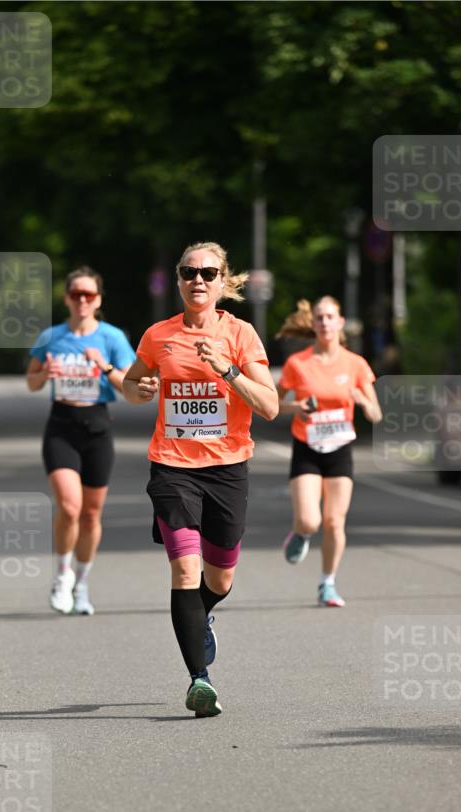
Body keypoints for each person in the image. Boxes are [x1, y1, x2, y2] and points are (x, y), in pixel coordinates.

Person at [122, 241, 278, 717]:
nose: (198, 280)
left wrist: (227, 370)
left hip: (227, 468)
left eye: (208, 273)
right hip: (172, 467)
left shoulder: (241, 335)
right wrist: (140, 388)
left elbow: (269, 406)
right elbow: (132, 385)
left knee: (220, 576)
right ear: (178, 278)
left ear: (221, 281)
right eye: (189, 272)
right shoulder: (158, 336)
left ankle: (202, 614)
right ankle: (199, 680)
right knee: (186, 571)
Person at [27, 266, 135, 615]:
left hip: (98, 428)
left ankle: (83, 584)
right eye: (76, 294)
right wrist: (45, 372)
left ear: (98, 300)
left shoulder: (112, 338)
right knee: (69, 507)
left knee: (91, 515)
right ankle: (62, 576)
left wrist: (104, 366)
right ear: (67, 299)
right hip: (61, 426)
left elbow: (130, 386)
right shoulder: (51, 337)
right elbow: (31, 382)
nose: (83, 300)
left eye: (89, 295)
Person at [277, 296, 381, 607]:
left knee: (335, 521)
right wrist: (297, 408)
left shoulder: (355, 364)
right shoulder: (299, 364)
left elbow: (377, 414)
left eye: (330, 317)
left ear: (340, 323)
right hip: (307, 447)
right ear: (313, 324)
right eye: (319, 317)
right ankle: (300, 533)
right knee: (311, 521)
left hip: (340, 448)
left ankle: (328, 584)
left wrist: (364, 403)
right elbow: (272, 405)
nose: (324, 322)